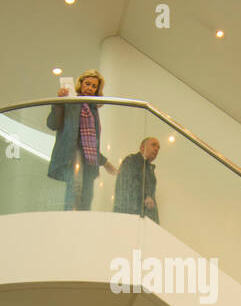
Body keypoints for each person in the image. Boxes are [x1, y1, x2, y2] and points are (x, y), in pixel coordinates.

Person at [46, 70, 117, 210]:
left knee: (88, 194)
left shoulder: (93, 109)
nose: (90, 88)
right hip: (72, 152)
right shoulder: (71, 101)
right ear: (81, 84)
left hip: (89, 157)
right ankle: (70, 220)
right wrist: (59, 102)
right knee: (75, 188)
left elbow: (90, 143)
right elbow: (52, 124)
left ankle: (82, 223)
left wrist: (104, 162)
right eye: (87, 84)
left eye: (94, 86)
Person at [113, 137, 160, 222]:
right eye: (153, 145)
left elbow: (152, 200)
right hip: (128, 217)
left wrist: (155, 223)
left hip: (142, 221)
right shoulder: (131, 160)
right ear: (142, 147)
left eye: (158, 147)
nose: (156, 149)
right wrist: (145, 196)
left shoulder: (150, 169)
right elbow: (126, 186)